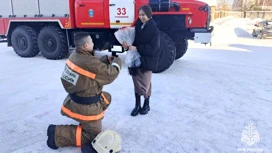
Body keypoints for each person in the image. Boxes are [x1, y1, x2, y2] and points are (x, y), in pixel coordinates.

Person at [47, 32, 122, 150]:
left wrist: (106, 60)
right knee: (94, 135)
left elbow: (92, 67)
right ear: (86, 46)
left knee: (106, 97)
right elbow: (109, 75)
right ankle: (56, 134)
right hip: (85, 105)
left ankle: (88, 122)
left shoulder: (75, 55)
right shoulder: (87, 61)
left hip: (74, 99)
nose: (93, 43)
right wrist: (117, 63)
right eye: (91, 41)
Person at [122, 5, 160, 116]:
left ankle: (146, 104)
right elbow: (133, 41)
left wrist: (138, 48)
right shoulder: (138, 26)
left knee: (145, 83)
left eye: (143, 15)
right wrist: (127, 45)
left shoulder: (154, 30)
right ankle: (137, 105)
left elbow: (154, 49)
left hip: (147, 60)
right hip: (135, 59)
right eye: (140, 15)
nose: (141, 17)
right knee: (136, 82)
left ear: (149, 15)